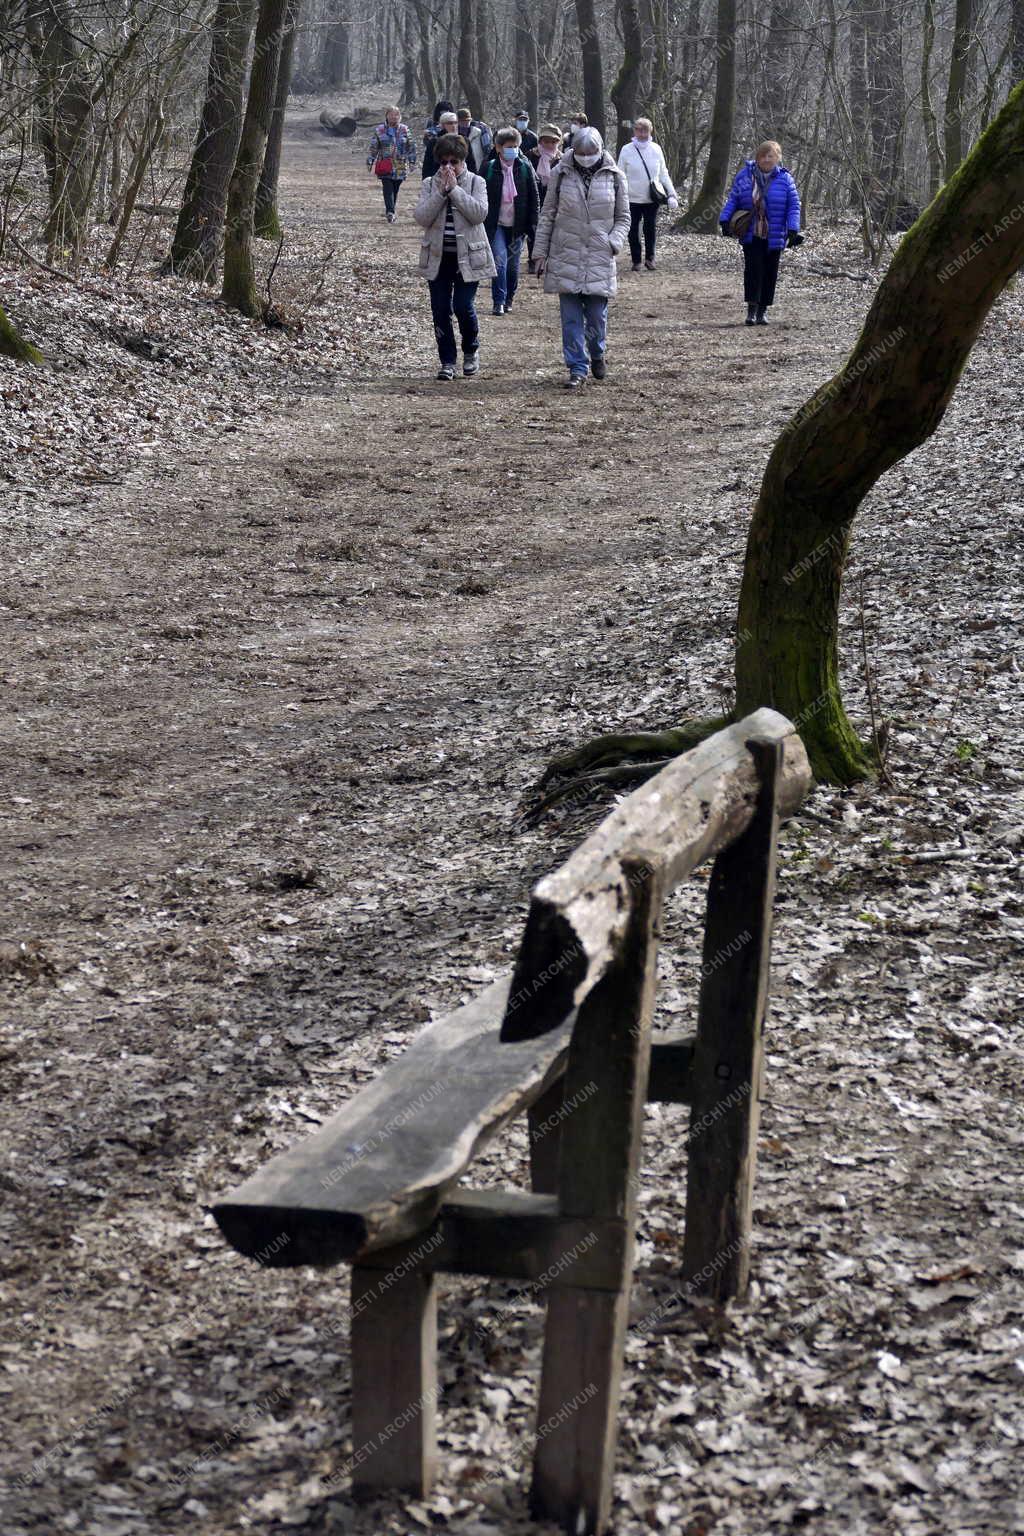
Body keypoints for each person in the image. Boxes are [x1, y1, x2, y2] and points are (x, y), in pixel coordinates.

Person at [533, 126, 629, 388]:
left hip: (599, 253)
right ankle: (577, 366)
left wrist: (614, 241)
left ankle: (597, 352)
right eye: (582, 152)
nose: (586, 156)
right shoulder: (560, 174)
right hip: (566, 252)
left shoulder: (616, 176)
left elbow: (623, 218)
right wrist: (540, 253)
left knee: (597, 316)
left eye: (591, 152)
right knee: (571, 317)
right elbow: (548, 215)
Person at [414, 133, 496, 380]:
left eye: (454, 161)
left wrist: (456, 191)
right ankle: (447, 360)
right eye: (443, 162)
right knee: (440, 309)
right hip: (438, 258)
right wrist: (441, 193)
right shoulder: (430, 183)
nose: (448, 167)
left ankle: (471, 349)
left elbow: (479, 214)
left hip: (468, 257)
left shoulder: (476, 182)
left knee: (463, 306)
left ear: (463, 160)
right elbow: (422, 217)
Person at [719, 139, 803, 324]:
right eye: (763, 156)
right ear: (757, 157)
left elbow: (793, 206)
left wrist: (793, 229)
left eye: (770, 156)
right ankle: (751, 310)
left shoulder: (785, 179)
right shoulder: (744, 176)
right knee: (753, 271)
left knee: (770, 272)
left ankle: (763, 311)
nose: (766, 159)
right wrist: (724, 219)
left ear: (777, 158)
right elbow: (733, 199)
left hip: (775, 235)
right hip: (751, 232)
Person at [483, 127, 539, 315]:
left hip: (518, 226)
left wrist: (533, 225)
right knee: (499, 262)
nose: (512, 150)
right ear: (498, 147)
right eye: (508, 146)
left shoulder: (524, 167)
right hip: (496, 224)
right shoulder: (489, 167)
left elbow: (534, 196)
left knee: (513, 266)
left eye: (515, 146)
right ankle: (498, 301)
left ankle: (509, 298)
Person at [616, 116, 678, 270]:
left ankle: (650, 259)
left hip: (652, 198)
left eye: (645, 130)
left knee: (650, 228)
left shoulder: (656, 149)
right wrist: (617, 194)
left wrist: (672, 194)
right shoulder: (626, 150)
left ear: (650, 131)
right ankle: (636, 260)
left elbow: (663, 173)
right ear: (635, 131)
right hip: (631, 198)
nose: (642, 134)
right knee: (632, 230)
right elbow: (619, 174)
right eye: (639, 130)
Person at [366, 107, 416, 223]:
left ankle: (391, 209)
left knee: (395, 188)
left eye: (396, 115)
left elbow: (411, 146)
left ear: (400, 116)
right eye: (391, 114)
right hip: (385, 163)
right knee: (387, 187)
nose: (394, 117)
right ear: (387, 115)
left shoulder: (405, 129)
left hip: (400, 164)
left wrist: (412, 161)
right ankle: (390, 212)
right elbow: (374, 147)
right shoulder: (380, 129)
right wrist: (370, 160)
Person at [526, 123, 562, 271]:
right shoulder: (530, 156)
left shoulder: (562, 159)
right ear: (540, 141)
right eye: (546, 141)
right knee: (534, 228)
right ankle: (533, 260)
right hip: (535, 197)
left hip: (555, 198)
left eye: (553, 141)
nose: (549, 144)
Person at [422, 109, 458, 178]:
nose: (453, 126)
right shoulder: (434, 142)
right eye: (450, 123)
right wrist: (426, 181)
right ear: (443, 125)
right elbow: (427, 164)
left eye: (455, 123)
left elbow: (470, 163)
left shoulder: (464, 140)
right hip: (438, 178)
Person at [457, 107, 493, 173]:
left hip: (478, 167)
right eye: (462, 121)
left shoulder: (481, 130)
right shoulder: (455, 133)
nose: (465, 123)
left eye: (467, 120)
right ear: (458, 121)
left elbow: (487, 150)